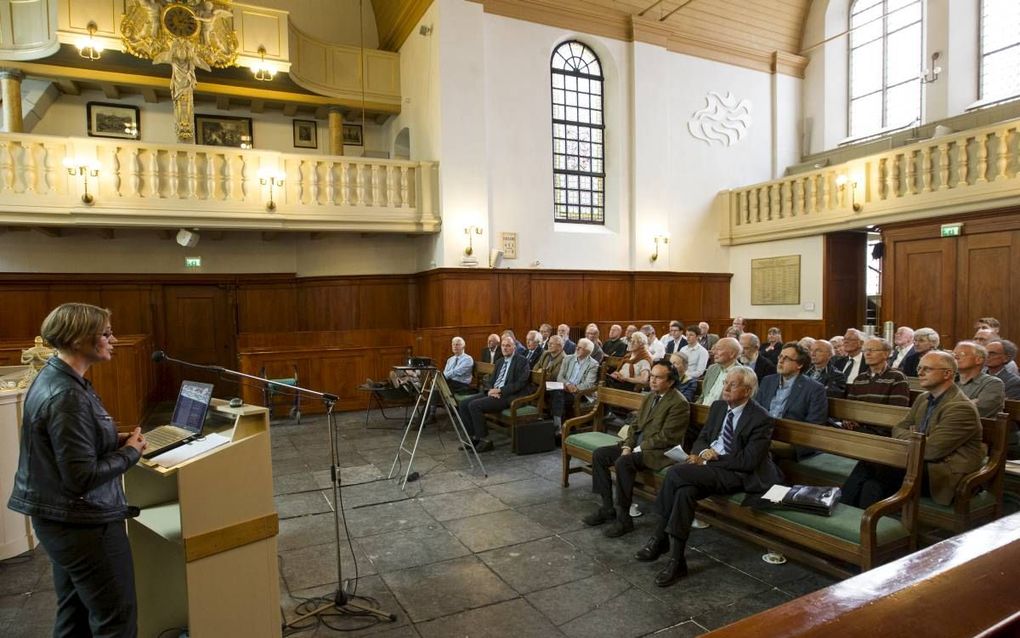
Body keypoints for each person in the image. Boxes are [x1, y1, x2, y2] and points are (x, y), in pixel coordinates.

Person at [7, 303, 147, 637]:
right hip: (83, 523)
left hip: (60, 520)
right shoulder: (67, 394)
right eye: (106, 333)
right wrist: (130, 452)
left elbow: (68, 444)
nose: (113, 340)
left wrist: (112, 439)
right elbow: (81, 477)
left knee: (76, 615)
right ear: (79, 339)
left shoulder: (59, 377)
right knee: (116, 620)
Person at [637, 366, 782, 587]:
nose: (725, 388)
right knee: (685, 492)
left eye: (732, 385)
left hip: (738, 474)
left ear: (748, 390)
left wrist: (710, 459)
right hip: (710, 469)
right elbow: (703, 437)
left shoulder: (760, 418)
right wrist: (699, 453)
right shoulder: (718, 407)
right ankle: (677, 560)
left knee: (676, 473)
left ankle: (659, 537)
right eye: (725, 383)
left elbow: (748, 462)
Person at [841, 351, 984, 509]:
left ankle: (842, 511)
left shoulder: (960, 408)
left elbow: (931, 451)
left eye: (927, 369)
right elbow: (898, 428)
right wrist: (916, 438)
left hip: (943, 472)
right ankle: (855, 521)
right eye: (919, 368)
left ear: (947, 374)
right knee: (872, 482)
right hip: (917, 461)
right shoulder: (924, 398)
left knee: (874, 466)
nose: (920, 373)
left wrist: (914, 438)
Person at [584, 361, 689, 538]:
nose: (653, 381)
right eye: (652, 376)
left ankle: (624, 518)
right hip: (636, 447)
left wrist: (636, 448)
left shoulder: (679, 403)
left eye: (658, 377)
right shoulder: (650, 396)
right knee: (600, 455)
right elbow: (635, 425)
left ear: (670, 382)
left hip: (658, 452)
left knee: (624, 462)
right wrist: (628, 445)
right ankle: (607, 508)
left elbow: (667, 437)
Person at [458, 335, 531, 452]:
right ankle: (472, 438)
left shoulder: (522, 361)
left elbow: (520, 384)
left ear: (514, 348)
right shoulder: (500, 361)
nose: (505, 348)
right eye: (503, 345)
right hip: (494, 393)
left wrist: (500, 390)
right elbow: (491, 380)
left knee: (474, 405)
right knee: (463, 404)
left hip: (507, 396)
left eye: (508, 346)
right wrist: (491, 390)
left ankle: (484, 440)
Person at [754, 342, 828, 425]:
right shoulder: (768, 381)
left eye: (786, 358)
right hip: (763, 431)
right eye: (780, 356)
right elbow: (756, 409)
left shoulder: (814, 389)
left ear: (799, 365)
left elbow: (815, 423)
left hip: (792, 434)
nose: (780, 361)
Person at [548, 338, 600, 434]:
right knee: (552, 392)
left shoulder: (593, 364)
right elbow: (560, 377)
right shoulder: (568, 358)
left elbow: (588, 384)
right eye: (577, 347)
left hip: (579, 393)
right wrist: (568, 385)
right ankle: (559, 427)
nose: (576, 349)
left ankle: (557, 427)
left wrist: (575, 388)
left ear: (588, 351)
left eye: (580, 348)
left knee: (557, 395)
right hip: (565, 388)